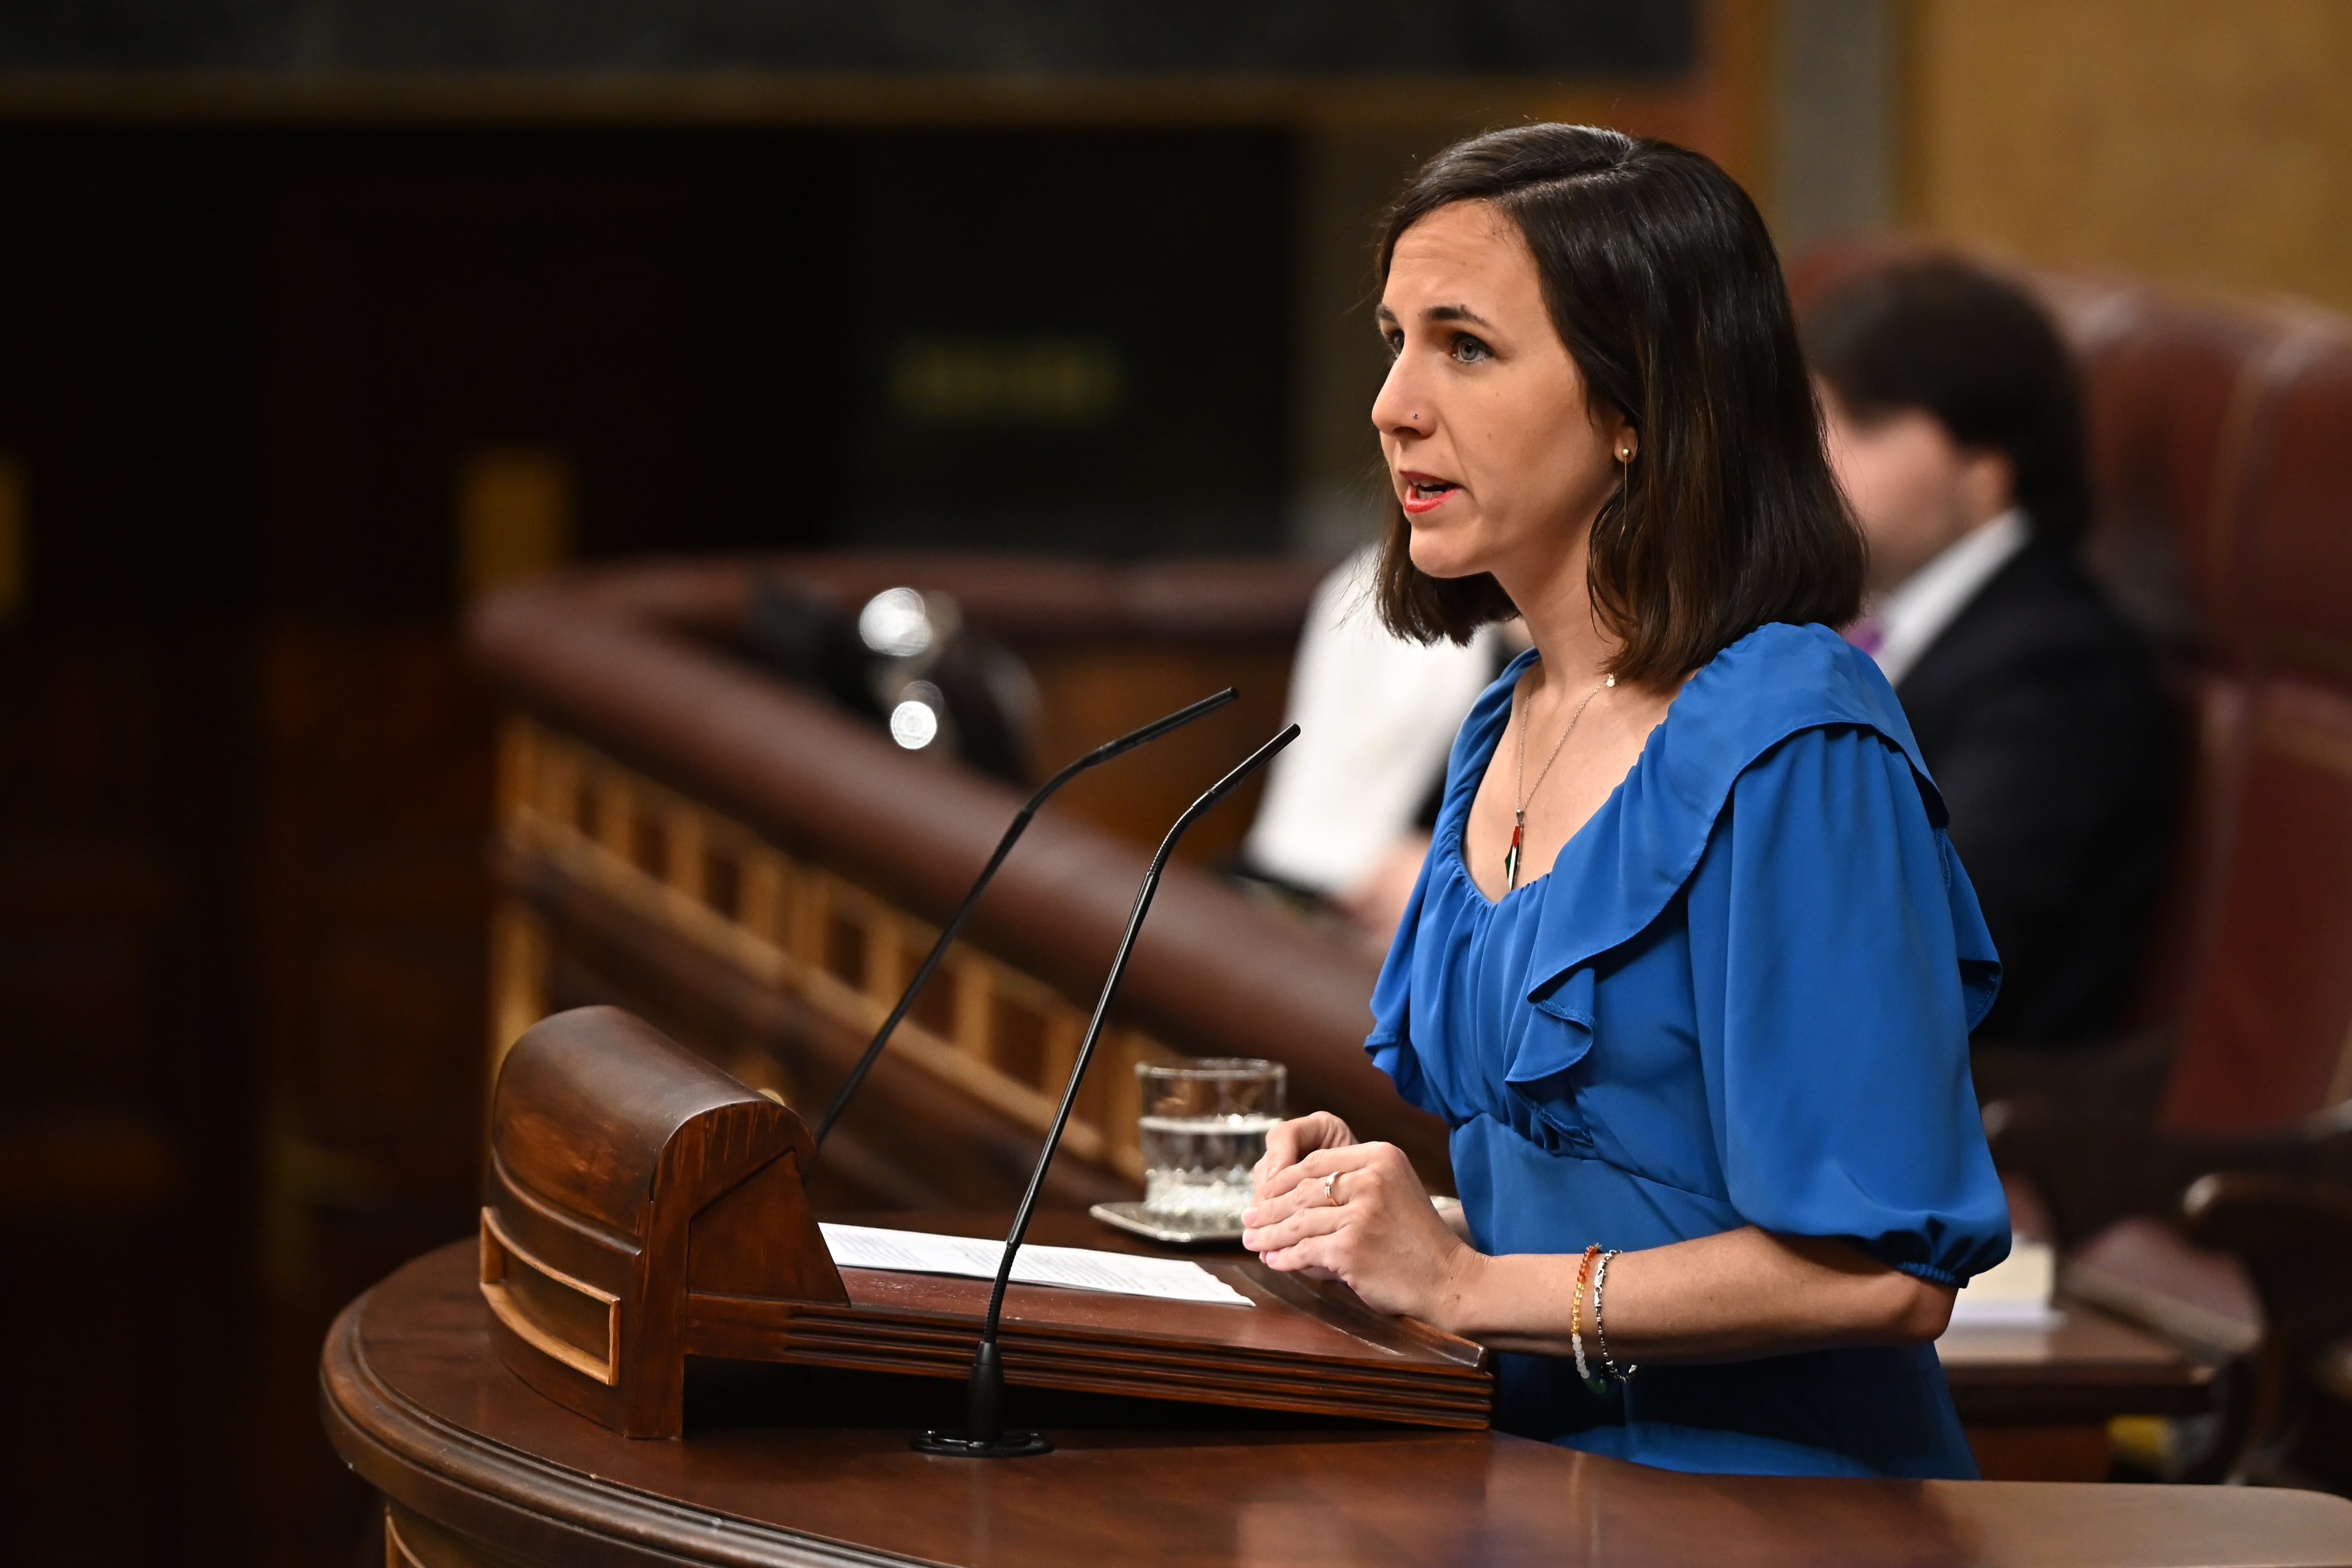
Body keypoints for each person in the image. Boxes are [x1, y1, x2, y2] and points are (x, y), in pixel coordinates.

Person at [1239, 125, 2009, 1480]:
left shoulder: (1799, 737)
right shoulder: (1510, 716)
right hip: (1532, 1477)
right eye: (1392, 338)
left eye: (1464, 345)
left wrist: (1471, 1286)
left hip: (1778, 1508)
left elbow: (1886, 1273)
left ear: (1632, 404)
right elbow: (1615, 1178)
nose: (1393, 403)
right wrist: (1378, 1212)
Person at [1804, 257, 2172, 1049]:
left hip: (1948, 1123)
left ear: (1986, 469)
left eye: (1860, 425)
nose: (1814, 459)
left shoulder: (2058, 666)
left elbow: (1926, 941)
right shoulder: (1865, 620)